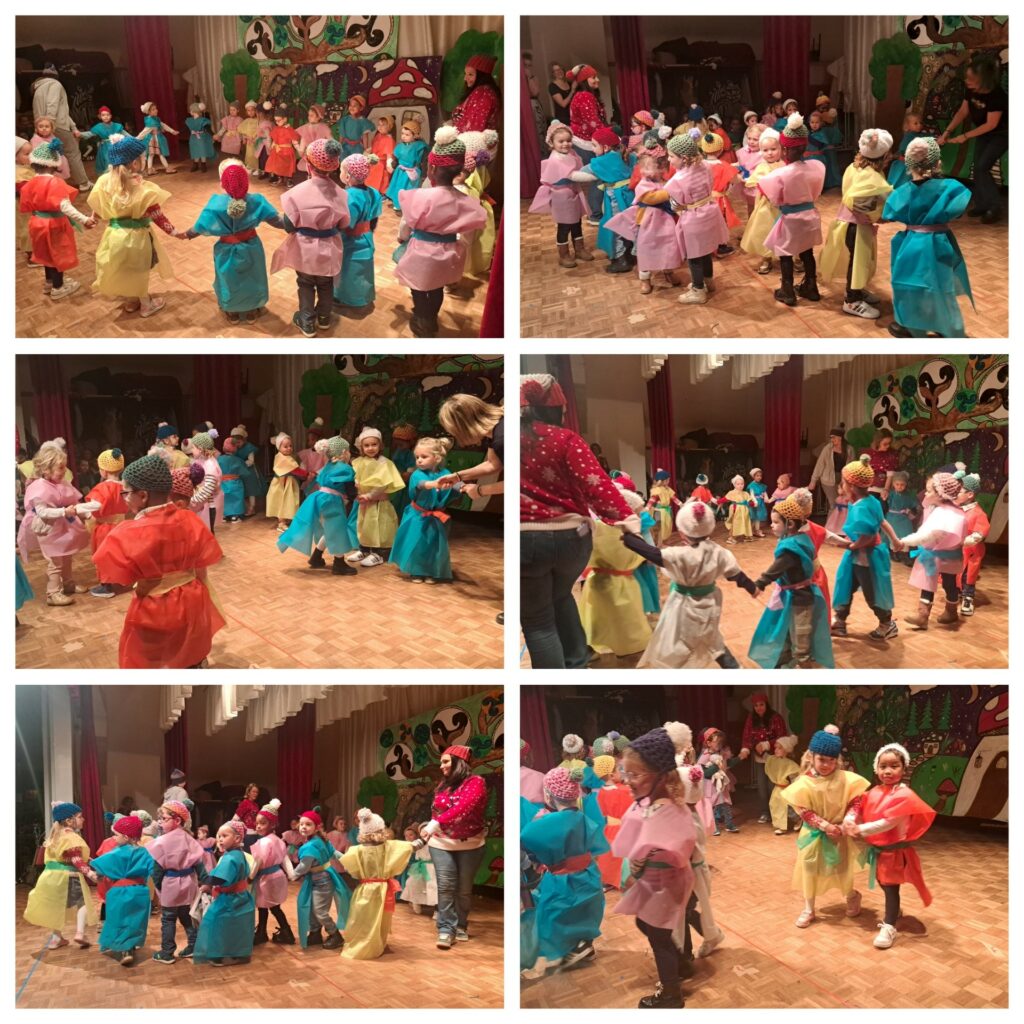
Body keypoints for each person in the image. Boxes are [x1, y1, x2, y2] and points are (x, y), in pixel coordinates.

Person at [519, 373, 638, 668]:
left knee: (538, 621)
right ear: (555, 408)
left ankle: (557, 680)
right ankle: (577, 664)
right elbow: (595, 482)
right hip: (573, 538)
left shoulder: (511, 438)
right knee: (561, 596)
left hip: (526, 538)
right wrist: (625, 516)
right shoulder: (566, 439)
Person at [92, 455, 225, 668]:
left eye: (126, 493)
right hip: (192, 597)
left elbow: (120, 578)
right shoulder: (189, 519)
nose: (124, 498)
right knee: (190, 645)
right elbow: (201, 565)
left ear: (143, 495)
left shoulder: (128, 533)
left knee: (150, 657)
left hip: (156, 606)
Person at [613, 728, 696, 1008]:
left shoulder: (664, 812)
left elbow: (660, 845)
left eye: (635, 774)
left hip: (664, 884)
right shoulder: (657, 803)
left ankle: (671, 994)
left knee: (658, 937)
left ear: (659, 775)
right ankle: (681, 963)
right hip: (660, 881)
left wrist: (635, 870)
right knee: (645, 923)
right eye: (625, 773)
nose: (627, 781)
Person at [627, 498, 758, 669]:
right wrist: (753, 588)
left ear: (682, 533)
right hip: (709, 602)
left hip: (683, 605)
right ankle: (733, 668)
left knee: (681, 639)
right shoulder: (720, 552)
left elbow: (651, 553)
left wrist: (627, 536)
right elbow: (736, 574)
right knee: (712, 639)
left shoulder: (679, 554)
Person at [393, 128, 487, 338]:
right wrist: (459, 245)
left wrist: (403, 237)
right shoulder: (465, 201)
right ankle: (431, 318)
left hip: (421, 252)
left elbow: (406, 222)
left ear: (432, 168)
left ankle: (422, 320)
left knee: (418, 287)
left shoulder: (420, 196)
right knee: (436, 288)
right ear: (459, 170)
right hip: (447, 253)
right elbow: (468, 235)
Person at [843, 742, 936, 949]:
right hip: (880, 852)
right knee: (885, 885)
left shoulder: (904, 795)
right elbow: (858, 805)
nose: (888, 771)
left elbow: (889, 822)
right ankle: (894, 912)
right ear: (876, 768)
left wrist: (860, 829)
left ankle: (889, 925)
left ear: (904, 768)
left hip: (894, 853)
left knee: (891, 888)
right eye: (883, 766)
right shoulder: (874, 791)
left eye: (894, 766)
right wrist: (849, 819)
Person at [882, 136, 974, 339]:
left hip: (911, 244)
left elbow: (889, 214)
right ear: (938, 163)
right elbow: (958, 210)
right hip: (939, 242)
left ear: (908, 165)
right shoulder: (950, 188)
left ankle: (909, 324)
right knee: (941, 284)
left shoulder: (902, 193)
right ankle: (946, 326)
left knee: (908, 284)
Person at [520, 766, 608, 976]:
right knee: (585, 912)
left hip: (562, 879)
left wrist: (539, 858)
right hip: (589, 874)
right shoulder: (583, 816)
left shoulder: (547, 822)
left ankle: (567, 949)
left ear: (548, 795)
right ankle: (583, 945)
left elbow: (526, 838)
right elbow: (597, 842)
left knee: (553, 916)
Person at [780, 725, 870, 929]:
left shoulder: (844, 779)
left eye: (831, 760)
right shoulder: (804, 782)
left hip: (839, 833)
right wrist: (825, 825)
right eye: (822, 759)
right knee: (809, 869)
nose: (827, 765)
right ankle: (808, 908)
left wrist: (847, 821)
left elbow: (856, 801)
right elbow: (802, 809)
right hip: (813, 835)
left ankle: (852, 896)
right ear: (811, 756)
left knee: (841, 868)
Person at [87, 132, 183, 319]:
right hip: (138, 238)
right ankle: (146, 305)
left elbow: (98, 205)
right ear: (135, 164)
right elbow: (157, 215)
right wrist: (175, 232)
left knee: (126, 269)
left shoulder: (104, 182)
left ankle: (131, 300)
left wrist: (93, 219)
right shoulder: (143, 188)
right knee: (139, 271)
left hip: (114, 236)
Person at [185, 158, 285, 324]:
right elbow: (277, 221)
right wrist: (299, 223)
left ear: (221, 182)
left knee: (228, 278)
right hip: (252, 247)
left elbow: (200, 226)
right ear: (246, 180)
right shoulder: (257, 201)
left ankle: (232, 311)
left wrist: (186, 234)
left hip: (226, 250)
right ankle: (252, 310)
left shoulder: (215, 204)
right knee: (254, 276)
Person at [270, 137, 350, 337]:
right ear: (333, 167)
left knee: (305, 283)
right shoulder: (341, 193)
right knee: (326, 283)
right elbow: (344, 224)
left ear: (308, 164)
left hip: (304, 249)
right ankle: (324, 317)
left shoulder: (296, 193)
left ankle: (306, 321)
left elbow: (289, 225)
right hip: (329, 248)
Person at [819, 129, 894, 320]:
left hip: (850, 223)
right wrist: (881, 216)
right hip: (856, 226)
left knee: (860, 261)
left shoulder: (854, 167)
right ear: (885, 155)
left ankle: (857, 290)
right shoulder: (872, 177)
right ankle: (851, 300)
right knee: (858, 262)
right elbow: (864, 202)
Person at [420, 745, 489, 949]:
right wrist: (429, 827)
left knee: (464, 890)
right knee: (446, 886)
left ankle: (461, 924)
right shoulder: (442, 785)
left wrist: (436, 823)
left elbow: (463, 808)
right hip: (440, 843)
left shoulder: (476, 782)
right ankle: (445, 929)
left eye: (445, 761)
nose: (441, 766)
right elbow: (436, 812)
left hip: (471, 843)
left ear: (459, 762)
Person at [758, 113, 826, 307]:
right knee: (807, 252)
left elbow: (771, 195)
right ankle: (811, 287)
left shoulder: (781, 174)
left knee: (785, 253)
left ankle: (787, 291)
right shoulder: (817, 166)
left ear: (785, 149)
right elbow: (816, 191)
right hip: (810, 216)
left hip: (791, 219)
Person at [17, 438, 92, 606]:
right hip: (48, 529)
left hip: (63, 526)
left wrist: (86, 513)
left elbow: (74, 501)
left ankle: (68, 584)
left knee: (66, 556)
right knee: (55, 560)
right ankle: (52, 593)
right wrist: (63, 511)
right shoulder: (39, 487)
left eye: (65, 466)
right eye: (61, 467)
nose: (64, 471)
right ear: (46, 468)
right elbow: (42, 512)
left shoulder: (62, 483)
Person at [831, 455, 898, 642]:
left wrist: (852, 545)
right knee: (846, 585)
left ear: (851, 486)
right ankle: (840, 621)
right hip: (857, 556)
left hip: (867, 558)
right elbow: (882, 521)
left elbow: (868, 536)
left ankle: (887, 623)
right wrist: (895, 539)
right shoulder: (871, 501)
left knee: (872, 592)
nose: (842, 486)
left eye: (843, 482)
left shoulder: (862, 508)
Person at [20, 139, 96, 301]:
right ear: (52, 165)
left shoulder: (30, 183)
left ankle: (49, 282)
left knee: (45, 254)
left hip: (36, 222)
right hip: (54, 225)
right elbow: (65, 206)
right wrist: (85, 219)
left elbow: (26, 204)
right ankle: (58, 287)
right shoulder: (55, 182)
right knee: (58, 254)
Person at [339, 808, 420, 959]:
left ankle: (363, 943)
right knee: (380, 919)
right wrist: (427, 836)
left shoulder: (356, 850)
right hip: (382, 889)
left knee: (362, 918)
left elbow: (348, 867)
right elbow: (412, 847)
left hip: (364, 889)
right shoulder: (389, 847)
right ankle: (375, 944)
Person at [936, 53, 1008, 223]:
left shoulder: (997, 95)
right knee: (978, 167)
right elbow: (962, 112)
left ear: (983, 80)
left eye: (971, 78)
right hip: (984, 134)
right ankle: (982, 204)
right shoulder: (970, 90)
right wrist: (947, 132)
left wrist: (964, 136)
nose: (967, 81)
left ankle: (995, 207)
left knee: (983, 166)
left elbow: (991, 124)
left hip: (1001, 135)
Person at [897, 469, 968, 630]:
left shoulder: (946, 514)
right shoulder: (944, 510)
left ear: (941, 495)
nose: (926, 494)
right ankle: (923, 615)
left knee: (948, 584)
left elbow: (926, 536)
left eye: (929, 491)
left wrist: (903, 542)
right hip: (940, 555)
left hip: (944, 556)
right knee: (930, 583)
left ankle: (950, 611)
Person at [277, 435, 358, 576]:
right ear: (344, 452)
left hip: (320, 498)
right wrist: (356, 496)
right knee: (337, 530)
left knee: (329, 530)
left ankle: (316, 557)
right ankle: (339, 564)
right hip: (331, 502)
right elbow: (350, 489)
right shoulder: (345, 468)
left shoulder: (328, 466)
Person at [24, 801, 97, 949]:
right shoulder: (71, 837)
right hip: (68, 876)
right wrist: (90, 873)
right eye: (80, 816)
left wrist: (90, 860)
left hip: (50, 877)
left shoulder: (54, 837)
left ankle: (56, 938)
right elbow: (75, 859)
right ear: (69, 821)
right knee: (83, 903)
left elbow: (65, 855)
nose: (83, 819)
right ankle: (80, 933)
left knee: (58, 907)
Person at [664, 130, 726, 304]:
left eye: (671, 156)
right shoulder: (705, 165)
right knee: (705, 250)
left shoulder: (677, 180)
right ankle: (708, 281)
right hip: (709, 211)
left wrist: (678, 205)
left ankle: (698, 290)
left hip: (694, 218)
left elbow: (676, 203)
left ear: (684, 158)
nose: (669, 159)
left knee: (694, 255)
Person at [605, 152, 681, 294]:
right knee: (646, 248)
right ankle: (645, 279)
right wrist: (669, 192)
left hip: (665, 221)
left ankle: (668, 272)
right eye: (655, 167)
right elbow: (650, 198)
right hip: (649, 222)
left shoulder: (663, 182)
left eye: (661, 167)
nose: (660, 171)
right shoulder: (643, 184)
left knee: (668, 246)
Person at [86, 814, 154, 967]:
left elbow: (101, 870)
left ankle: (124, 949)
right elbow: (153, 870)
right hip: (140, 892)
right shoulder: (144, 852)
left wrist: (94, 872)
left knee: (118, 919)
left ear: (125, 836)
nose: (114, 838)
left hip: (119, 892)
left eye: (116, 835)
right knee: (135, 920)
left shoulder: (117, 852)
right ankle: (129, 946)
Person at [389, 436, 460, 583]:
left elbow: (455, 485)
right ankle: (417, 571)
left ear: (437, 458)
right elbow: (421, 484)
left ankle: (431, 571)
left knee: (433, 544)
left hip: (436, 517)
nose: (419, 460)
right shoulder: (417, 474)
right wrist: (434, 484)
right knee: (417, 543)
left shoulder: (446, 473)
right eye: (417, 457)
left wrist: (462, 487)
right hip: (417, 515)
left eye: (424, 457)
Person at [147, 799, 207, 963]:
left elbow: (157, 870)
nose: (160, 822)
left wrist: (159, 886)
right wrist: (205, 881)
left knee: (168, 918)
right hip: (189, 883)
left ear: (177, 820)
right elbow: (199, 864)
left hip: (171, 883)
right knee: (187, 915)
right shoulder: (189, 838)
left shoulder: (162, 841)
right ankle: (193, 945)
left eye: (164, 818)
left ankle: (167, 952)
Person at [193, 821, 256, 966]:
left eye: (224, 836)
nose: (220, 839)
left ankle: (219, 954)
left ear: (237, 838)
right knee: (237, 926)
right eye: (219, 836)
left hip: (230, 899)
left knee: (217, 922)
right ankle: (238, 953)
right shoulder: (237, 854)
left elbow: (220, 879)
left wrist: (203, 878)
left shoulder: (231, 857)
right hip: (240, 897)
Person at [292, 809, 348, 950]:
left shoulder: (311, 845)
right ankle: (315, 933)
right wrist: (345, 858)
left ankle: (335, 935)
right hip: (318, 880)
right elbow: (333, 853)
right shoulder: (319, 840)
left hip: (322, 882)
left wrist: (293, 874)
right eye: (301, 824)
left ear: (316, 827)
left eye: (308, 824)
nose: (303, 827)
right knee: (312, 908)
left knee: (320, 911)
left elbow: (304, 866)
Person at [333, 152, 382, 311]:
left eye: (341, 171)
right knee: (363, 269)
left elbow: (345, 223)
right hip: (366, 237)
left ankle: (346, 298)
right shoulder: (374, 192)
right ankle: (363, 296)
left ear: (347, 176)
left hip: (350, 240)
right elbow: (374, 217)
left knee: (348, 270)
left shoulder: (348, 196)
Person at [31, 64, 91, 190]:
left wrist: (73, 127)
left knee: (49, 156)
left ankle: (50, 185)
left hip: (42, 127)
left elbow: (62, 111)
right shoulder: (55, 85)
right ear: (56, 76)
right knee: (72, 153)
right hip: (56, 125)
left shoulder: (38, 88)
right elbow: (52, 105)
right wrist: (50, 125)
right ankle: (83, 183)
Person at [251, 797, 297, 945]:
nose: (258, 826)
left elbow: (258, 861)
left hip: (267, 878)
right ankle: (262, 931)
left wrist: (250, 876)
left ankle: (285, 932)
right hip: (277, 876)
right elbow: (285, 859)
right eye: (257, 823)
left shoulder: (264, 842)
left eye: (262, 823)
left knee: (271, 907)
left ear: (272, 824)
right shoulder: (277, 839)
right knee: (266, 905)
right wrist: (291, 874)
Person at [567, 64, 610, 220]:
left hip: (586, 142)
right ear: (584, 80)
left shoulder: (584, 95)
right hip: (586, 143)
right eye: (593, 77)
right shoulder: (585, 96)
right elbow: (593, 123)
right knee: (599, 175)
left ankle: (596, 213)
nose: (597, 79)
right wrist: (609, 138)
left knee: (598, 176)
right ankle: (596, 215)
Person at [86, 448, 129, 598]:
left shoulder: (103, 487)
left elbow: (94, 506)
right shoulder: (124, 486)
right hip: (121, 526)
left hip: (105, 528)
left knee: (103, 555)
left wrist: (78, 509)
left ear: (103, 471)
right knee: (118, 553)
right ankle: (121, 578)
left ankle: (106, 587)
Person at [957, 470, 989, 617]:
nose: (956, 494)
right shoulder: (958, 509)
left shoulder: (978, 512)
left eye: (960, 491)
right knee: (956, 573)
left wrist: (965, 541)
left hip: (971, 552)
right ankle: (957, 592)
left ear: (970, 494)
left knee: (968, 576)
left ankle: (968, 598)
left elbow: (980, 533)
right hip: (958, 551)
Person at [384, 116, 427, 214]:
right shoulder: (400, 146)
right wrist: (393, 165)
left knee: (409, 189)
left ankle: (408, 205)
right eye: (402, 133)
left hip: (411, 172)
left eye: (407, 135)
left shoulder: (419, 146)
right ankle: (398, 204)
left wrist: (423, 173)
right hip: (400, 172)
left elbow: (423, 161)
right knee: (399, 187)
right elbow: (396, 158)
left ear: (415, 136)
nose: (403, 136)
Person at [808, 424, 854, 516]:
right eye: (831, 437)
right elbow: (820, 465)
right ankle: (830, 524)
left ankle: (841, 523)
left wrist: (849, 481)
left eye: (833, 437)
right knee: (834, 504)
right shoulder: (828, 449)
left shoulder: (849, 449)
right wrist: (813, 481)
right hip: (828, 480)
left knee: (843, 504)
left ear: (840, 437)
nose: (832, 439)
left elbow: (852, 466)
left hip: (843, 479)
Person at [266, 432, 306, 531]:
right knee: (282, 501)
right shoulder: (282, 458)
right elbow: (295, 470)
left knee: (288, 501)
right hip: (282, 484)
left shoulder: (283, 456)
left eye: (290, 446)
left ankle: (285, 519)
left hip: (287, 482)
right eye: (285, 446)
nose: (289, 448)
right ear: (279, 447)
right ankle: (281, 523)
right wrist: (307, 474)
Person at [450, 55, 501, 133]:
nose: (465, 78)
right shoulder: (480, 91)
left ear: (482, 76)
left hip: (471, 139)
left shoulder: (484, 93)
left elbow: (474, 128)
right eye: (465, 74)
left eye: (470, 74)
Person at [765, 735, 802, 835]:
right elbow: (766, 759)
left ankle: (798, 819)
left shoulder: (790, 764)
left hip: (787, 789)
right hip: (778, 788)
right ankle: (781, 826)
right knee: (775, 805)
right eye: (776, 748)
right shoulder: (773, 760)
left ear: (786, 750)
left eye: (779, 748)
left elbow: (795, 776)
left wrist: (793, 789)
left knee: (789, 807)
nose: (776, 750)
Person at [887, 112, 929, 190]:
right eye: (915, 123)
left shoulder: (919, 135)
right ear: (907, 125)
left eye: (921, 123)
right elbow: (902, 149)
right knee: (901, 184)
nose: (919, 125)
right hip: (904, 165)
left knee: (901, 184)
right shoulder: (909, 136)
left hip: (908, 164)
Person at [862, 429, 899, 511]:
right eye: (885, 444)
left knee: (883, 506)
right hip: (870, 488)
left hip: (886, 487)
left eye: (889, 443)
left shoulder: (891, 454)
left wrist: (886, 490)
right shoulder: (867, 454)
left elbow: (890, 474)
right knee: (870, 506)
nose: (888, 446)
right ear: (877, 442)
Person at [264, 104, 301, 185]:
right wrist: (272, 145)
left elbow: (294, 141)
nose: (277, 122)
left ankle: (289, 180)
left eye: (279, 120)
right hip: (277, 150)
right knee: (278, 165)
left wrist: (299, 149)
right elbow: (275, 139)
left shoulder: (289, 130)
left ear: (285, 119)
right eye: (275, 121)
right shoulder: (276, 129)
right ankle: (279, 178)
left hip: (287, 151)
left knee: (287, 165)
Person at [295, 104, 333, 179]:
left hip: (321, 155)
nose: (309, 117)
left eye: (312, 115)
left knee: (320, 170)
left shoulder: (323, 127)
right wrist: (299, 148)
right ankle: (311, 177)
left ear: (319, 117)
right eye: (309, 115)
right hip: (309, 155)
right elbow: (302, 141)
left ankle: (320, 178)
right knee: (310, 168)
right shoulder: (305, 128)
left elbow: (331, 140)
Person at [218, 438, 247, 523]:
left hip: (222, 483)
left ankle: (224, 515)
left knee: (224, 499)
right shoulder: (238, 460)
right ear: (235, 447)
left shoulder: (218, 459)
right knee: (236, 498)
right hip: (235, 482)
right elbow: (244, 472)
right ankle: (234, 516)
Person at [365, 114, 395, 193]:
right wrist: (369, 150)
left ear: (389, 127)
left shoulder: (389, 139)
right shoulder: (378, 136)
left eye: (383, 125)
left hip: (381, 165)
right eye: (379, 124)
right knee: (369, 180)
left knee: (380, 182)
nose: (380, 127)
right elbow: (374, 145)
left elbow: (389, 154)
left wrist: (389, 164)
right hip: (373, 161)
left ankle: (378, 193)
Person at [185, 102, 216, 173]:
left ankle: (203, 164)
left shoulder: (203, 120)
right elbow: (186, 128)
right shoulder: (190, 120)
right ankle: (195, 164)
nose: (190, 111)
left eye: (191, 110)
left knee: (202, 151)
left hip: (201, 138)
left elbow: (208, 128)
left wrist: (213, 134)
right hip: (193, 138)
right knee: (195, 151)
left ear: (194, 111)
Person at [232, 783, 262, 852]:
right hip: (248, 834)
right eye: (253, 792)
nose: (255, 794)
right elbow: (235, 819)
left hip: (255, 833)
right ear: (248, 792)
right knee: (248, 855)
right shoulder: (245, 803)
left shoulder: (256, 805)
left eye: (257, 792)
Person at [747, 468, 769, 537]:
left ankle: (754, 530)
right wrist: (755, 501)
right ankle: (751, 531)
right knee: (754, 518)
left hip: (760, 503)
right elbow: (752, 495)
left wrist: (766, 497)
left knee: (758, 518)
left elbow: (764, 492)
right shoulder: (751, 485)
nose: (759, 477)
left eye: (760, 476)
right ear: (753, 476)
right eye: (757, 476)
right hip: (755, 503)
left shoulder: (762, 485)